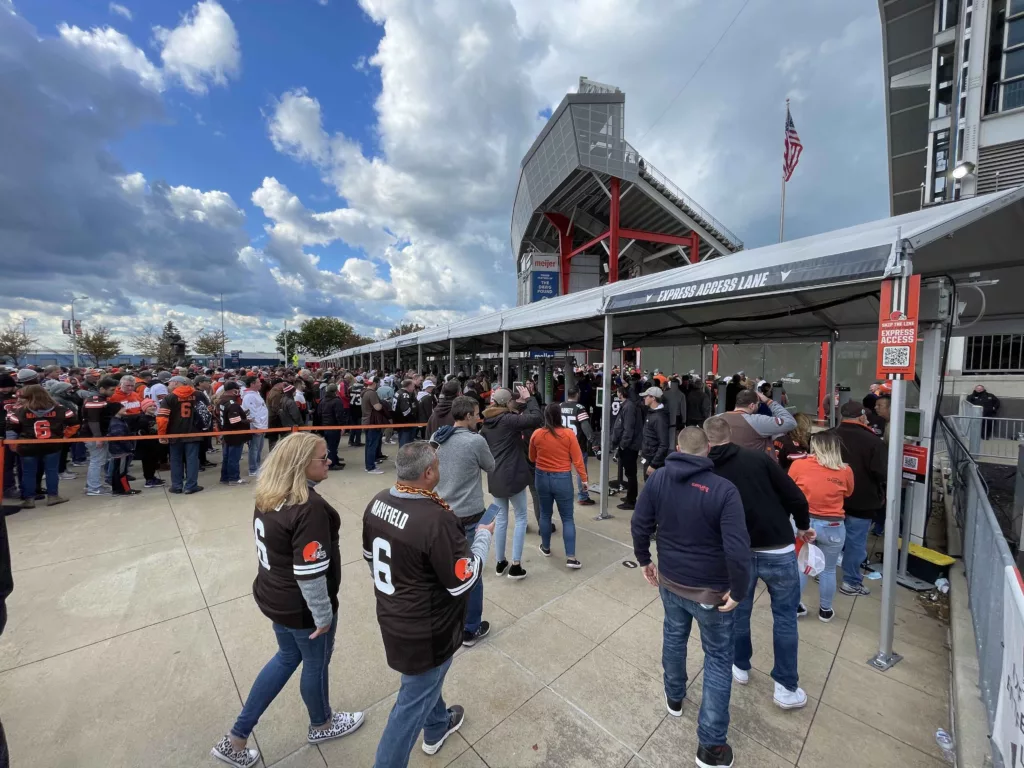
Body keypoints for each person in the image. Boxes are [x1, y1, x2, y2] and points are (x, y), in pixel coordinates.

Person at [211, 433, 363, 768]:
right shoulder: (308, 508)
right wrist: (322, 616)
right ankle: (322, 723)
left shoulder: (269, 493)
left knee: (286, 657)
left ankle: (236, 736)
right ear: (300, 464)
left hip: (273, 595)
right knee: (315, 663)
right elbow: (310, 573)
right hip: (300, 607)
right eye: (323, 458)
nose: (329, 462)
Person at [363, 442, 494, 768]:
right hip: (426, 629)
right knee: (410, 704)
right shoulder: (434, 518)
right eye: (437, 463)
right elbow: (463, 578)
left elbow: (369, 558)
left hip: (393, 614)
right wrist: (484, 536)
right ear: (429, 472)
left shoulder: (377, 502)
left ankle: (436, 727)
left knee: (422, 685)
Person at [631, 426, 751, 768]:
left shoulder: (659, 479)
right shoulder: (724, 490)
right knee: (716, 657)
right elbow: (738, 549)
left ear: (677, 447)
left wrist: (644, 560)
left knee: (673, 636)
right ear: (708, 449)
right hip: (712, 591)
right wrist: (740, 590)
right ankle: (712, 746)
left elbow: (640, 523)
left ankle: (674, 696)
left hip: (670, 581)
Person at [705, 416, 812, 710]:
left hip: (737, 552)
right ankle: (786, 687)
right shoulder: (759, 459)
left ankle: (740, 665)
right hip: (778, 546)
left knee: (739, 612)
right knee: (786, 618)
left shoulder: (705, 468)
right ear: (732, 436)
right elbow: (795, 497)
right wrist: (803, 526)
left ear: (706, 440)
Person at [431, 396, 498, 644]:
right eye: (477, 414)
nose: (479, 417)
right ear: (468, 416)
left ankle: (450, 619)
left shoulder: (439, 438)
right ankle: (470, 627)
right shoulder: (475, 441)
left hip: (441, 512)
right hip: (469, 516)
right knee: (472, 571)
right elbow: (490, 466)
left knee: (445, 569)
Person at [788, 430, 854, 622]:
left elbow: (789, 488)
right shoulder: (845, 470)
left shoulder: (798, 465)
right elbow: (848, 492)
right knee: (829, 569)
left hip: (803, 523)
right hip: (833, 525)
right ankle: (825, 610)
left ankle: (796, 606)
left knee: (800, 566)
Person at [480, 387, 542, 573]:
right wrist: (529, 399)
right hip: (513, 475)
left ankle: (500, 562)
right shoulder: (507, 420)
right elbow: (536, 418)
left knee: (501, 520)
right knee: (521, 516)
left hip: (495, 476)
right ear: (507, 403)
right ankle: (516, 564)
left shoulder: (487, 422)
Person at [835, 401, 887, 596]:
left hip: (831, 499)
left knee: (829, 540)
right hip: (862, 500)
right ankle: (850, 582)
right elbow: (880, 472)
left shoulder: (829, 436)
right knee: (856, 542)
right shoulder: (873, 441)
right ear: (861, 417)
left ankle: (823, 573)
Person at [529, 402, 587, 568]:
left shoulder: (537, 434)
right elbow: (578, 460)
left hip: (541, 477)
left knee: (545, 514)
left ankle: (546, 547)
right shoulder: (568, 434)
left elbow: (532, 458)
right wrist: (584, 479)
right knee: (567, 518)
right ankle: (571, 557)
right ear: (559, 416)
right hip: (562, 478)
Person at [4, 384, 79, 508]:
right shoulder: (60, 408)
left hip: (28, 446)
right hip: (52, 445)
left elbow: (11, 429)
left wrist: (13, 445)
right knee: (51, 472)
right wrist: (65, 436)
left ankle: (29, 500)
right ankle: (53, 496)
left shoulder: (19, 411)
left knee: (28, 473)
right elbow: (75, 423)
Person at [157, 376, 204, 495]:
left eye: (170, 383)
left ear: (176, 383)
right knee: (192, 460)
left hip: (174, 434)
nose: (168, 386)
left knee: (175, 460)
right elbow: (207, 412)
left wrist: (162, 435)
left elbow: (162, 419)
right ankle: (191, 486)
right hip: (194, 433)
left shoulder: (169, 398)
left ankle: (177, 486)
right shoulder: (198, 395)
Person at [722, 388, 796, 456]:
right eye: (758, 404)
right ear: (752, 406)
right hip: (752, 467)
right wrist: (768, 401)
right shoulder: (758, 421)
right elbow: (790, 422)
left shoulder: (716, 418)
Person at [82, 376, 122, 497]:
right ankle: (94, 487)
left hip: (97, 434)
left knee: (99, 460)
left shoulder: (99, 398)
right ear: (102, 388)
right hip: (94, 435)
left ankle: (93, 484)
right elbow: (93, 420)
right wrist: (98, 437)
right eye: (111, 390)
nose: (113, 392)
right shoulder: (95, 400)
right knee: (97, 461)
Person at [559, 387, 596, 507]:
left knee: (564, 471)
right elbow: (586, 428)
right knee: (582, 473)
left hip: (563, 446)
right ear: (577, 394)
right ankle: (583, 496)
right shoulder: (580, 408)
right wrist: (594, 442)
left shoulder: (560, 406)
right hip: (578, 446)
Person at [611, 385, 644, 511]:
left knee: (630, 473)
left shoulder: (628, 407)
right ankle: (630, 496)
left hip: (629, 445)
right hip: (629, 444)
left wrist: (623, 445)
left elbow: (628, 428)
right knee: (629, 472)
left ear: (621, 393)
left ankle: (631, 500)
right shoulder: (628, 406)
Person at [217, 381, 251, 486]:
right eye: (237, 389)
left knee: (227, 457)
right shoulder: (232, 404)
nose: (239, 392)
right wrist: (247, 420)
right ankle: (234, 478)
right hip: (235, 434)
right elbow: (235, 421)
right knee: (233, 458)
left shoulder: (221, 401)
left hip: (226, 432)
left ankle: (225, 477)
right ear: (233, 390)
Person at [639, 386, 670, 479]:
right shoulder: (651, 412)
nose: (644, 398)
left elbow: (664, 444)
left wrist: (654, 464)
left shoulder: (659, 418)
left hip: (653, 460)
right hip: (649, 457)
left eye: (646, 396)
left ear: (653, 398)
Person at [361, 377, 391, 475]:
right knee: (372, 445)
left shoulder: (365, 392)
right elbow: (377, 407)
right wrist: (383, 403)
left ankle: (369, 465)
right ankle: (370, 467)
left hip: (366, 421)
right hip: (373, 422)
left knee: (369, 445)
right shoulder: (372, 393)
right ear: (374, 383)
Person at [134, 398, 164, 488]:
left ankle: (152, 476)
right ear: (144, 408)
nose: (152, 407)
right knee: (148, 463)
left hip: (154, 445)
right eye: (149, 406)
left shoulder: (154, 417)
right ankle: (149, 480)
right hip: (147, 447)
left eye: (153, 406)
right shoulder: (142, 420)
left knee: (154, 462)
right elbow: (141, 433)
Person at [242, 376, 268, 477]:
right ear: (252, 384)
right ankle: (253, 469)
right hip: (256, 426)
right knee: (254, 448)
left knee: (259, 448)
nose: (261, 384)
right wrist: (257, 426)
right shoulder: (249, 397)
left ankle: (257, 466)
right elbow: (251, 413)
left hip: (261, 426)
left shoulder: (255, 394)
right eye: (258, 382)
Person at [317, 384, 348, 470]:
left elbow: (319, 413)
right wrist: (342, 426)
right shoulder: (337, 401)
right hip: (334, 426)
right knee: (333, 446)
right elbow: (339, 414)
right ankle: (332, 464)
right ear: (335, 391)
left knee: (329, 446)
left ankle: (334, 461)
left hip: (325, 426)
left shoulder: (322, 400)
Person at [394, 379, 419, 448]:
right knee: (405, 444)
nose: (414, 388)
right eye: (413, 386)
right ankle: (403, 458)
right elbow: (406, 411)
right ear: (409, 386)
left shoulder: (398, 392)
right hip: (406, 422)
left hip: (399, 421)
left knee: (403, 441)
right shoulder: (404, 395)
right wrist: (413, 411)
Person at [347, 376, 365, 447]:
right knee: (358, 426)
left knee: (353, 426)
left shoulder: (350, 388)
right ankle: (357, 441)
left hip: (352, 408)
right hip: (359, 409)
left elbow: (348, 396)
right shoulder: (363, 389)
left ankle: (351, 441)